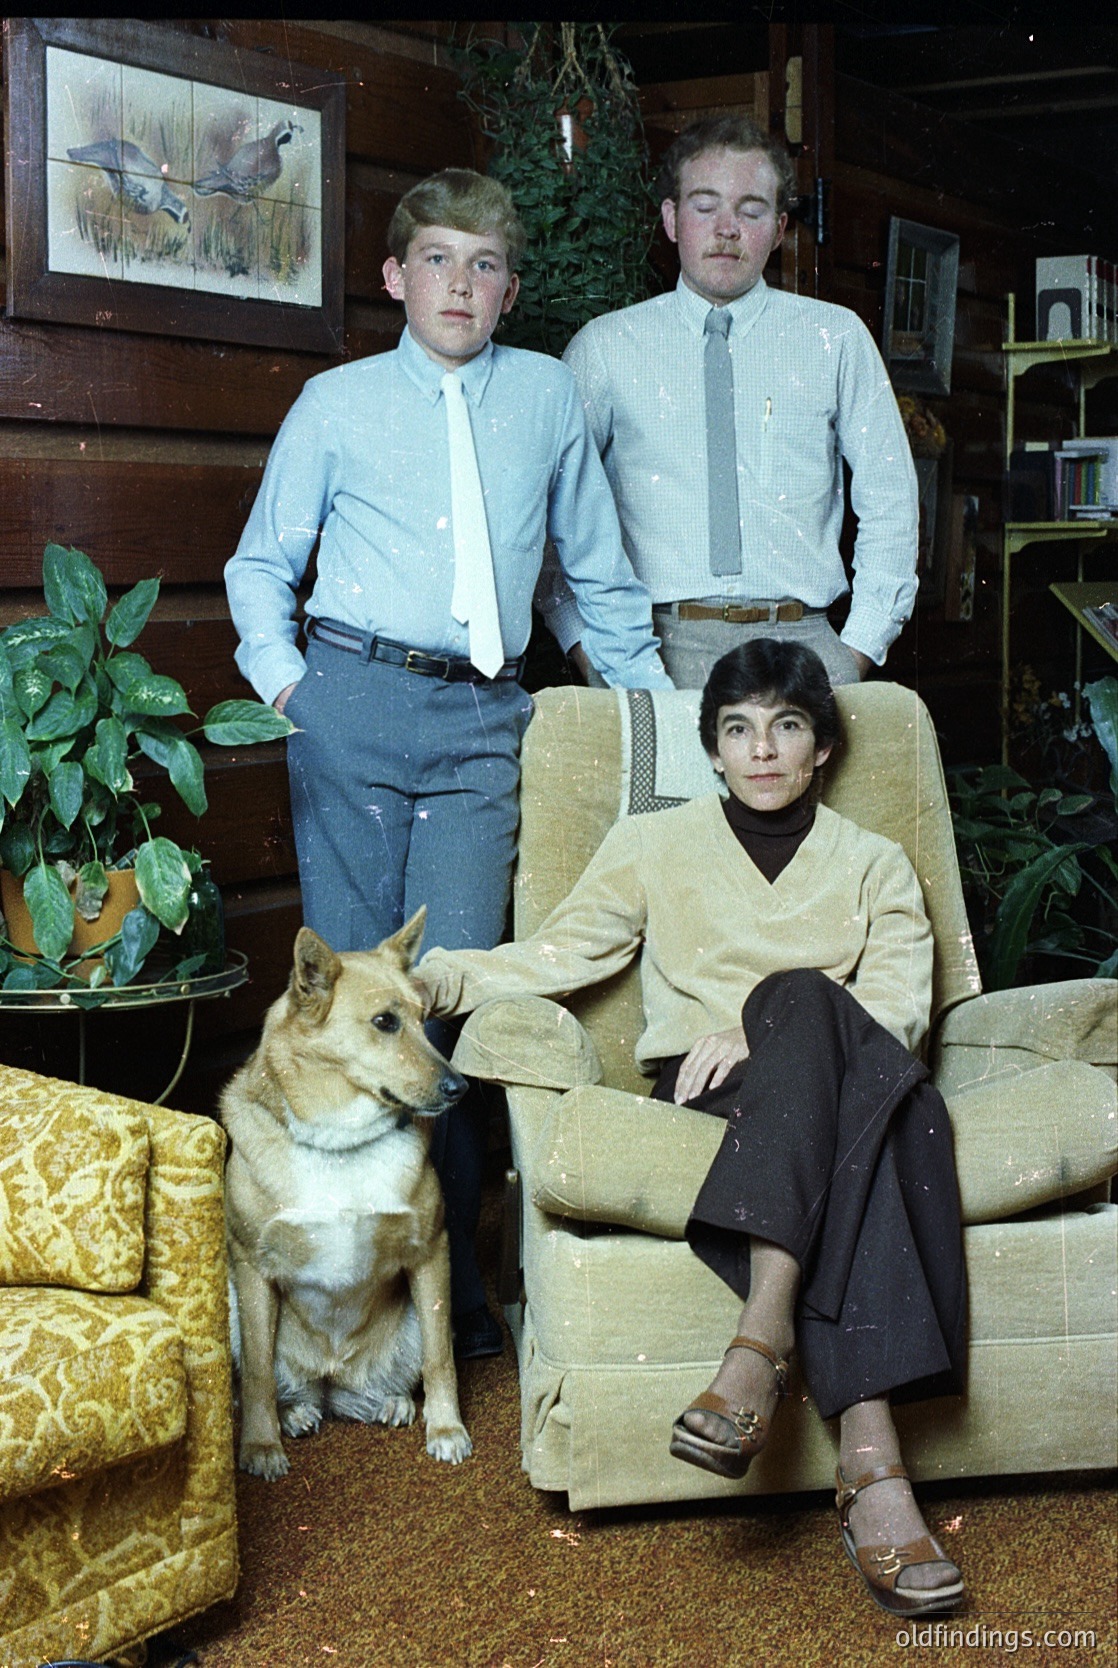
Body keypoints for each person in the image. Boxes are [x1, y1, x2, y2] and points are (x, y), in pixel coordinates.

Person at [418, 639, 966, 1616]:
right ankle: (874, 1470)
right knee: (860, 1098)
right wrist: (443, 978)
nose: (762, 749)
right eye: (738, 729)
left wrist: (764, 1029)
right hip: (719, 1097)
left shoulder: (874, 862)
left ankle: (759, 1342)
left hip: (853, 1079)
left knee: (816, 1019)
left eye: (786, 726)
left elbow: (895, 1013)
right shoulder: (652, 842)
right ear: (712, 749)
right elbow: (558, 953)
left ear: (822, 748)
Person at [225, 168, 672, 1360]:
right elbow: (260, 566)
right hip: (351, 703)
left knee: (456, 996)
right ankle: (342, 1287)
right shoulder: (334, 403)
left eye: (483, 266)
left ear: (509, 289)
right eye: (435, 259)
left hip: (484, 716)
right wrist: (291, 688)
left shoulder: (544, 396)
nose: (459, 286)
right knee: (350, 1009)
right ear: (394, 276)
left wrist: (656, 718)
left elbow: (594, 573)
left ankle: (459, 1294)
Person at [537, 114, 919, 691]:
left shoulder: (834, 338)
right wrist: (587, 650)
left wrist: (857, 649)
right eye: (705, 205)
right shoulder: (605, 347)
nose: (727, 229)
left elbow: (892, 501)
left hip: (803, 648)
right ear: (671, 219)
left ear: (780, 227)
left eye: (751, 210)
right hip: (650, 650)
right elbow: (550, 511)